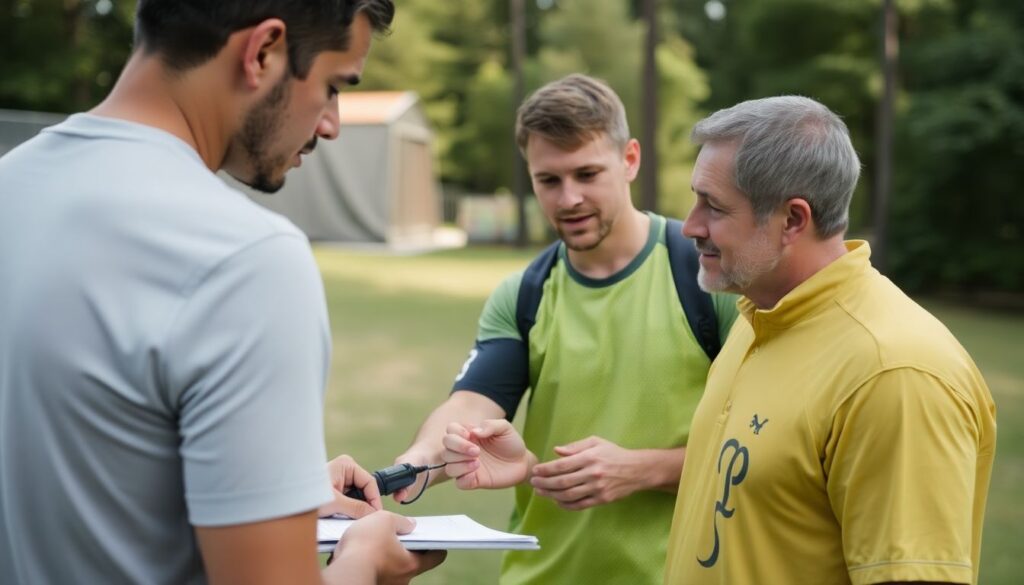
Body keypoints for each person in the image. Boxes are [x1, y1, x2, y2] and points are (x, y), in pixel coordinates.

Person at [0, 1, 445, 584]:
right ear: (262, 52)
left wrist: (266, 493)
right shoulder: (247, 258)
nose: (332, 124)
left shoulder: (12, 186)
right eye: (333, 86)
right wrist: (364, 561)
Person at [382, 74, 738, 585]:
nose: (569, 198)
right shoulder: (524, 293)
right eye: (549, 180)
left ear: (630, 160)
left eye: (587, 174)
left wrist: (644, 468)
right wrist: (416, 464)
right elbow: (471, 406)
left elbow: (767, 446)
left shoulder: (708, 275)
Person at [660, 96, 996, 584]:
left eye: (713, 206)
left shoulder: (894, 373)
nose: (690, 225)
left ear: (793, 220)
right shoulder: (759, 317)